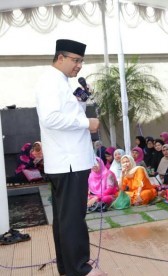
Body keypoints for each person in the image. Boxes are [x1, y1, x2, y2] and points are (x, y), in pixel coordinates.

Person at [35, 39, 104, 275]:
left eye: (81, 61)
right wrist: (87, 123)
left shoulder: (62, 82)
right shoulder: (50, 82)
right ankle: (80, 269)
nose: (79, 66)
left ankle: (68, 268)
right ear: (60, 57)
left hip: (70, 161)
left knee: (65, 219)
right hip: (68, 162)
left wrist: (82, 101)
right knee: (73, 218)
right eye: (75, 60)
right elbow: (51, 118)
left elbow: (67, 112)